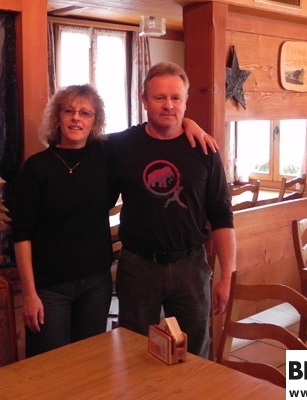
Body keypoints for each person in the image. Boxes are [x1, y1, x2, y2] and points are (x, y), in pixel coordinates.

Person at [11, 83, 216, 358]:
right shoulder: (37, 167)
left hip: (95, 282)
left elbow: (156, 128)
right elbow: (22, 233)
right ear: (57, 117)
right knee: (48, 363)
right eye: (69, 111)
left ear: (95, 121)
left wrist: (189, 123)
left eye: (85, 113)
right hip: (50, 286)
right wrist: (29, 293)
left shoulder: (106, 155)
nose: (76, 118)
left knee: (90, 360)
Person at [109, 61, 236, 358]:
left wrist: (227, 275)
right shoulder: (121, 146)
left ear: (186, 100)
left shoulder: (205, 150)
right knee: (135, 353)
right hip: (138, 267)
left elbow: (221, 214)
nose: (168, 105)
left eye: (176, 98)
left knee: (195, 355)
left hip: (190, 266)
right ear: (143, 100)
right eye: (159, 97)